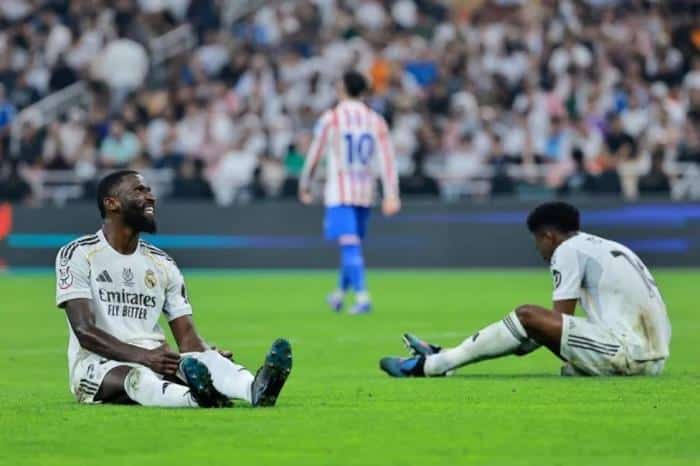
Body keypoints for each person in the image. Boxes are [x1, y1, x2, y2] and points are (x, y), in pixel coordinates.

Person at [55, 170, 292, 407]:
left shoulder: (162, 263)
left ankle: (256, 389)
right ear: (111, 203)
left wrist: (208, 355)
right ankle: (196, 399)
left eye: (149, 190)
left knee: (209, 360)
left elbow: (187, 339)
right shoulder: (79, 254)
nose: (150, 197)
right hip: (97, 366)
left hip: (157, 359)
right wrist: (145, 357)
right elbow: (84, 331)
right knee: (139, 378)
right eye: (139, 190)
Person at [380, 202, 671, 377]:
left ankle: (432, 366)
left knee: (527, 315)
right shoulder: (604, 246)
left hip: (631, 354)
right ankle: (447, 356)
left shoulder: (567, 250)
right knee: (528, 324)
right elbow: (559, 330)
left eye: (537, 241)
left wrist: (525, 334)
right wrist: (523, 338)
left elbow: (559, 322)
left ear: (549, 236)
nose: (538, 249)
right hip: (653, 357)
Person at [298, 71, 401, 314]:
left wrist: (305, 184)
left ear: (342, 88)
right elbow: (387, 160)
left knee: (349, 245)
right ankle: (339, 294)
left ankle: (363, 298)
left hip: (340, 192)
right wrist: (391, 194)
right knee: (351, 243)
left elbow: (315, 154)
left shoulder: (332, 118)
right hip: (365, 191)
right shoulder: (376, 120)